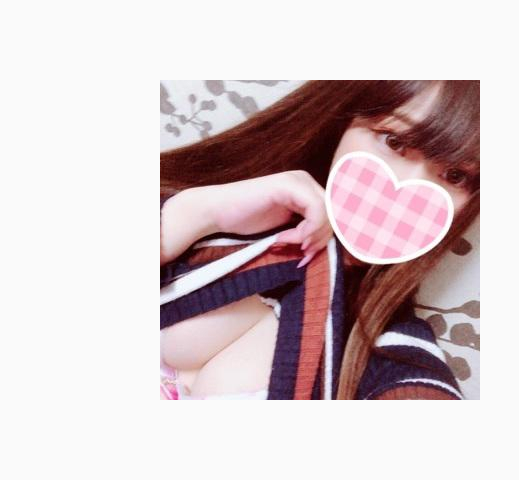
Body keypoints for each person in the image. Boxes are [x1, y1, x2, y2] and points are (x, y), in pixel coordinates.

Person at [160, 80, 480, 400]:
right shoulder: (209, 207)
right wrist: (197, 213)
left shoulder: (394, 348)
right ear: (343, 123)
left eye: (455, 175)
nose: (409, 186)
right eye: (394, 141)